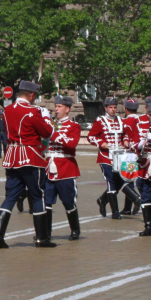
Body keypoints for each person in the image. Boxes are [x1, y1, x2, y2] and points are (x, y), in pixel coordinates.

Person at [0, 80, 55, 249]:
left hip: (12, 155)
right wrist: (47, 119)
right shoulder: (33, 111)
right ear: (32, 95)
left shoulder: (7, 110)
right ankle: (42, 238)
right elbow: (47, 132)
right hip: (30, 156)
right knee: (37, 195)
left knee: (10, 196)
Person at [88, 97, 138, 219]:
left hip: (119, 155)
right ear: (106, 108)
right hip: (105, 156)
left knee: (121, 180)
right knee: (111, 181)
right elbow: (91, 136)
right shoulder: (100, 120)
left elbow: (126, 133)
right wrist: (101, 143)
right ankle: (115, 212)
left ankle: (102, 200)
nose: (113, 110)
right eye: (110, 107)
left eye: (115, 107)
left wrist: (125, 141)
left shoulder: (121, 120)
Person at [44, 96, 82, 241]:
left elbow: (71, 144)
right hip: (49, 168)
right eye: (56, 106)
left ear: (67, 109)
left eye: (59, 106)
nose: (56, 109)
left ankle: (75, 230)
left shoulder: (74, 126)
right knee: (46, 202)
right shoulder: (51, 125)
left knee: (68, 202)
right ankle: (46, 232)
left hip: (65, 168)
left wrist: (54, 134)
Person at [131, 101, 151, 238]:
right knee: (145, 196)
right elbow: (131, 143)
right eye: (150, 115)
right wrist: (138, 145)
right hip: (145, 166)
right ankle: (148, 226)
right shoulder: (143, 127)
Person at [119, 98, 144, 216]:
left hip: (128, 154)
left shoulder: (124, 122)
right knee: (129, 180)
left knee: (122, 180)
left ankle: (136, 198)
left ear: (126, 109)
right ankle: (127, 208)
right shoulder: (141, 120)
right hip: (140, 153)